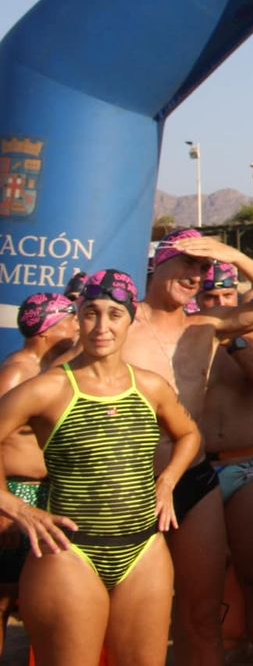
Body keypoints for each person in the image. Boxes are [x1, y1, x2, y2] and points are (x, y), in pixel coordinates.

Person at [0, 270, 201, 666]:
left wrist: (167, 481)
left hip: (145, 550)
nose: (102, 326)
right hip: (69, 553)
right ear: (78, 317)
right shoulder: (47, 388)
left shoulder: (150, 386)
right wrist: (15, 505)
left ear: (131, 319)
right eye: (91, 313)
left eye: (114, 314)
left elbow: (190, 434)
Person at [119, 230, 253, 666]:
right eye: (187, 263)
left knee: (203, 609)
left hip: (196, 479)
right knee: (140, 610)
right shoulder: (118, 325)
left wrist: (232, 254)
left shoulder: (206, 328)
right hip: (134, 482)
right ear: (157, 263)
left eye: (203, 267)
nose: (196, 275)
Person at [195, 262, 253, 666]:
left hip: (248, 465)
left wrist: (236, 345)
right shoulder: (181, 334)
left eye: (226, 295)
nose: (218, 302)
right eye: (209, 296)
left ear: (237, 294)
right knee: (199, 584)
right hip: (196, 470)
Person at [0, 293, 79, 642]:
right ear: (47, 329)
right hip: (17, 494)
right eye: (71, 319)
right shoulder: (17, 372)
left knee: (41, 597)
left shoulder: (53, 370)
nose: (77, 326)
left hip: (45, 495)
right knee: (4, 597)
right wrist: (4, 506)